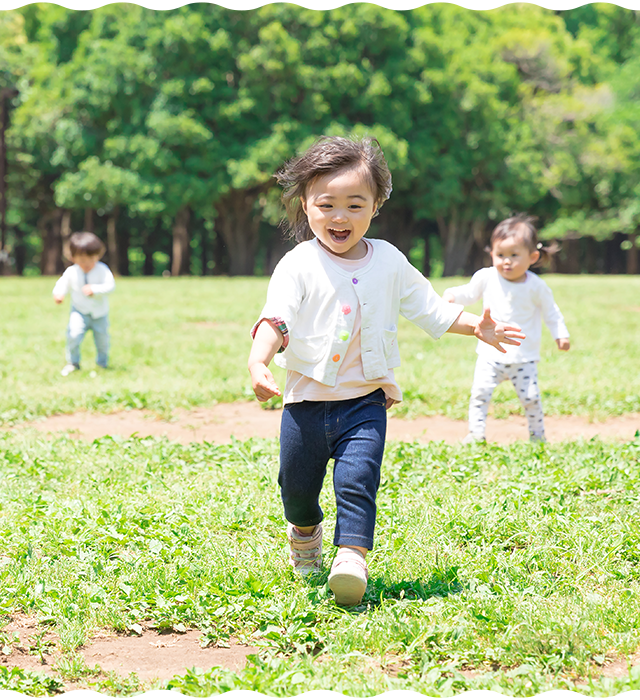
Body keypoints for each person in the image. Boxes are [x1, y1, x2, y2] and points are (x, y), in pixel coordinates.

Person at [247, 136, 525, 606]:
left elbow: (430, 309)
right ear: (305, 205)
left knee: (358, 479)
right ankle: (306, 533)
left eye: (355, 205)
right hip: (305, 405)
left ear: (375, 206)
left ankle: (351, 557)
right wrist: (259, 360)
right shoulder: (297, 264)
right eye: (327, 204)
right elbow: (277, 318)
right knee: (296, 489)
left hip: (365, 401)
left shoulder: (390, 261)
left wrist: (479, 326)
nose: (340, 217)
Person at [443, 214, 570, 444]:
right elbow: (469, 293)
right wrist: (452, 295)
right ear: (491, 253)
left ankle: (538, 436)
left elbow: (551, 312)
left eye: (514, 255)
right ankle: (476, 434)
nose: (506, 261)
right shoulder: (487, 277)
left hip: (524, 357)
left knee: (531, 398)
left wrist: (560, 334)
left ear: (532, 257)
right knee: (480, 394)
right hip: (490, 354)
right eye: (500, 255)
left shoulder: (536, 286)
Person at [53, 232, 115, 376]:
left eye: (91, 259)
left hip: (100, 313)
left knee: (102, 340)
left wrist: (95, 289)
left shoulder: (102, 270)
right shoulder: (71, 272)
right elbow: (62, 284)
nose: (87, 263)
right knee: (73, 335)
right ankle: (73, 363)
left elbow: (110, 286)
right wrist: (59, 294)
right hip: (79, 311)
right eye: (82, 260)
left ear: (98, 255)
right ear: (72, 257)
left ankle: (102, 363)